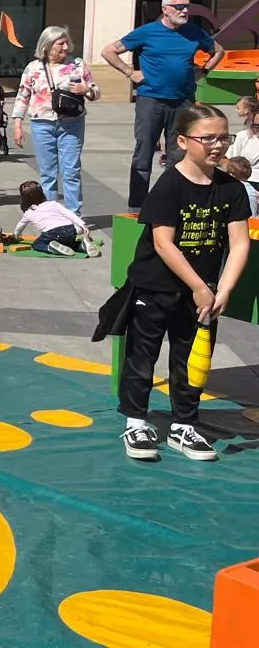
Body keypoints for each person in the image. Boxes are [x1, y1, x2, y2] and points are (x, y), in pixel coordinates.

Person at [117, 103, 248, 462]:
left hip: (203, 293)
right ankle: (135, 421)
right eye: (207, 138)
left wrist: (223, 289)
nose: (217, 145)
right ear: (183, 140)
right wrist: (199, 286)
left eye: (224, 137)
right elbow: (163, 243)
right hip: (156, 288)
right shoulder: (169, 185)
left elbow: (239, 243)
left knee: (190, 358)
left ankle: (183, 425)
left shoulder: (232, 190)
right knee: (143, 357)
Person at [102, 0, 225, 209]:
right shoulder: (147, 32)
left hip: (183, 101)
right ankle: (137, 206)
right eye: (179, 7)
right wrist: (131, 73)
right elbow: (108, 51)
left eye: (187, 6)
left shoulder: (195, 33)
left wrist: (204, 71)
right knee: (144, 151)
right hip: (151, 100)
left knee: (178, 154)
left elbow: (218, 51)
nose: (185, 11)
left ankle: (172, 202)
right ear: (165, 10)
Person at [11, 25, 98, 215]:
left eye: (67, 42)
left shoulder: (78, 65)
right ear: (47, 46)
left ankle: (74, 214)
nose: (66, 47)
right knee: (47, 173)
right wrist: (17, 124)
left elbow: (95, 91)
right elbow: (22, 96)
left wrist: (86, 90)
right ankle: (51, 215)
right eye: (61, 44)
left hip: (71, 123)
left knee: (71, 170)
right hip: (41, 124)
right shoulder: (33, 68)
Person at [13, 180, 98, 257]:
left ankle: (50, 247)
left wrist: (16, 236)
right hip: (70, 230)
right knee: (69, 243)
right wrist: (82, 225)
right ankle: (81, 245)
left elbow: (20, 226)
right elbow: (69, 213)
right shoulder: (53, 204)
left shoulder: (28, 213)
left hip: (52, 233)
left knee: (37, 244)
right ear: (42, 193)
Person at [230, 96, 259, 166]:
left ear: (246, 110)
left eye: (238, 108)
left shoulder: (243, 135)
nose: (236, 110)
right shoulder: (242, 135)